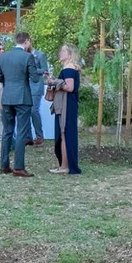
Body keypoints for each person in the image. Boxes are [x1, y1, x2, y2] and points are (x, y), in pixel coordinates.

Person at [0, 31, 44, 176]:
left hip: (6, 98)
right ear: (27, 41)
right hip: (23, 97)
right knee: (22, 132)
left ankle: (4, 165)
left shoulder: (4, 57)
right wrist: (40, 71)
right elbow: (35, 78)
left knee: (7, 131)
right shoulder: (28, 57)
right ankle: (18, 167)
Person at [49, 43, 83, 174]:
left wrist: (55, 82)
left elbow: (70, 87)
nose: (60, 53)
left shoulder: (69, 69)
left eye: (63, 51)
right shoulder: (70, 68)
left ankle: (65, 166)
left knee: (64, 132)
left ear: (70, 54)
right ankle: (64, 164)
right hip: (67, 103)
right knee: (64, 133)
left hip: (66, 104)